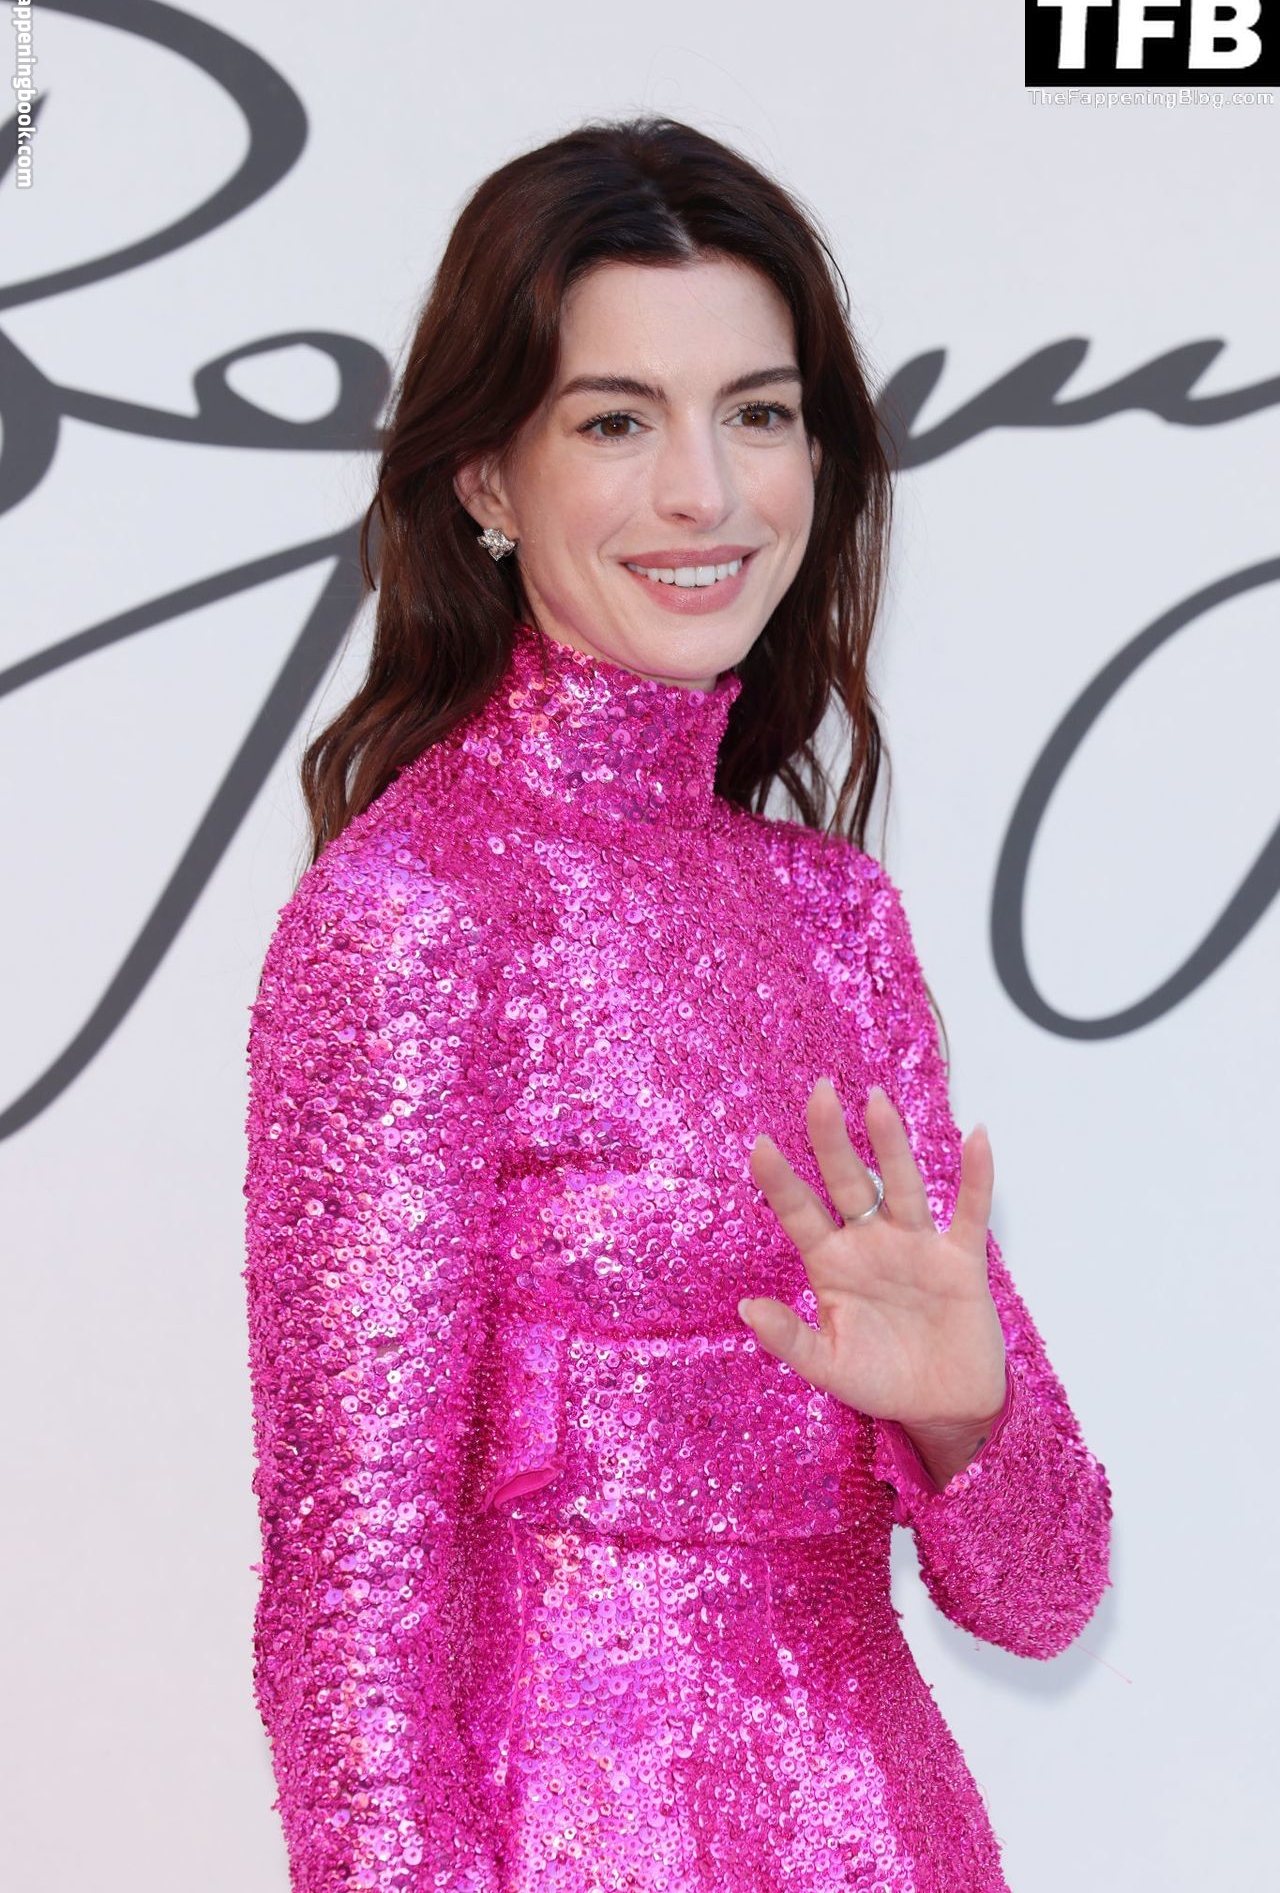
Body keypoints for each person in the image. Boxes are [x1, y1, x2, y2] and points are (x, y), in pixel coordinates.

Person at [242, 116, 1112, 1893]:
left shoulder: (838, 915)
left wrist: (962, 1414)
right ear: (485, 479)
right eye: (615, 421)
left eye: (759, 412)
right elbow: (348, 1585)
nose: (706, 495)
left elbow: (1045, 1594)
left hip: (890, 1836)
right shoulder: (412, 917)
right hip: (559, 1845)